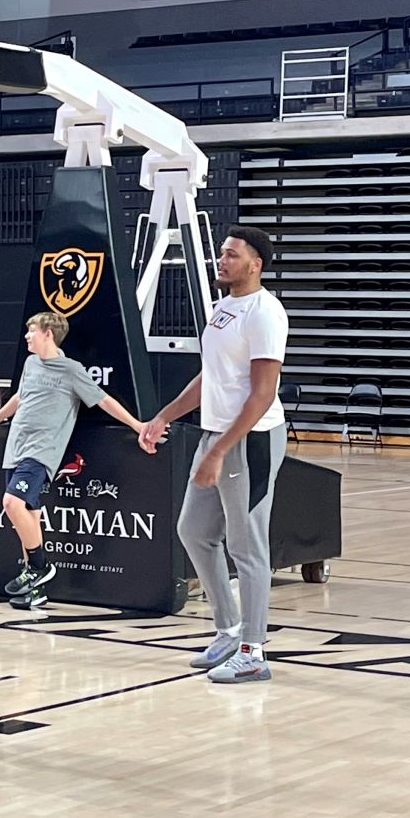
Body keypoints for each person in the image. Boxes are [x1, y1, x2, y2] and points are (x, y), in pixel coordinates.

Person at [138, 225, 289, 685]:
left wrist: (220, 450)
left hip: (252, 439)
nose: (221, 261)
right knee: (194, 531)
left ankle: (253, 651)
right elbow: (210, 378)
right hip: (216, 434)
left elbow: (263, 394)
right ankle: (227, 629)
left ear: (255, 264)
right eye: (222, 253)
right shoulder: (222, 309)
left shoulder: (265, 313)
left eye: (231, 255)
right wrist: (164, 415)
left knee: (247, 546)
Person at [0, 311, 149, 608]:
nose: (26, 336)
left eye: (31, 331)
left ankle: (39, 566)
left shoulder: (72, 370)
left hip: (41, 451)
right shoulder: (31, 363)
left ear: (48, 333)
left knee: (12, 504)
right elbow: (20, 396)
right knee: (29, 515)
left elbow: (103, 400)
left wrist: (137, 425)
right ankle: (36, 588)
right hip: (16, 447)